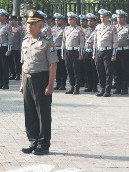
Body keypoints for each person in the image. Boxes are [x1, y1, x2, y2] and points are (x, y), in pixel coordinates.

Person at [19, 10, 56, 157]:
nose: (29, 26)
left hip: (41, 79)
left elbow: (53, 65)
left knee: (43, 114)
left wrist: (50, 85)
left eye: (33, 24)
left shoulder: (47, 42)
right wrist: (22, 83)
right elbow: (23, 64)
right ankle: (33, 142)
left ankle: (43, 144)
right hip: (28, 79)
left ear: (40, 25)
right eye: (28, 23)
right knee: (30, 112)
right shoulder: (25, 41)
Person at [62, 12, 85, 94]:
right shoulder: (66, 29)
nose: (69, 20)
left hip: (76, 51)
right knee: (69, 69)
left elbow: (82, 43)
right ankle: (71, 86)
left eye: (71, 19)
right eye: (68, 18)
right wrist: (63, 53)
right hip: (68, 51)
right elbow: (63, 42)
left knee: (76, 70)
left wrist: (81, 53)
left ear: (75, 20)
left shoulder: (79, 29)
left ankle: (77, 87)